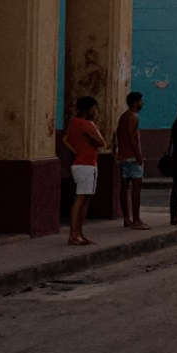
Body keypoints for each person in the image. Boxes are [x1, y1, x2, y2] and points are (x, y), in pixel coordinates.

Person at [63, 96, 105, 245]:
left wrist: (76, 151)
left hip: (80, 163)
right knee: (81, 199)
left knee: (84, 199)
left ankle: (78, 233)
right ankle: (74, 234)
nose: (95, 111)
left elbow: (65, 139)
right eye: (94, 108)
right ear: (88, 109)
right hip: (87, 164)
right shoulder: (87, 124)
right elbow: (101, 142)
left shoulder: (73, 123)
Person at [114, 92, 149, 230]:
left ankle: (126, 218)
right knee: (136, 188)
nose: (142, 103)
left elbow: (117, 135)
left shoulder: (123, 116)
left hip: (123, 157)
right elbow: (133, 138)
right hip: (132, 158)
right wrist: (139, 156)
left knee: (124, 188)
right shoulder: (134, 116)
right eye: (141, 101)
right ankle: (137, 220)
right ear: (135, 102)